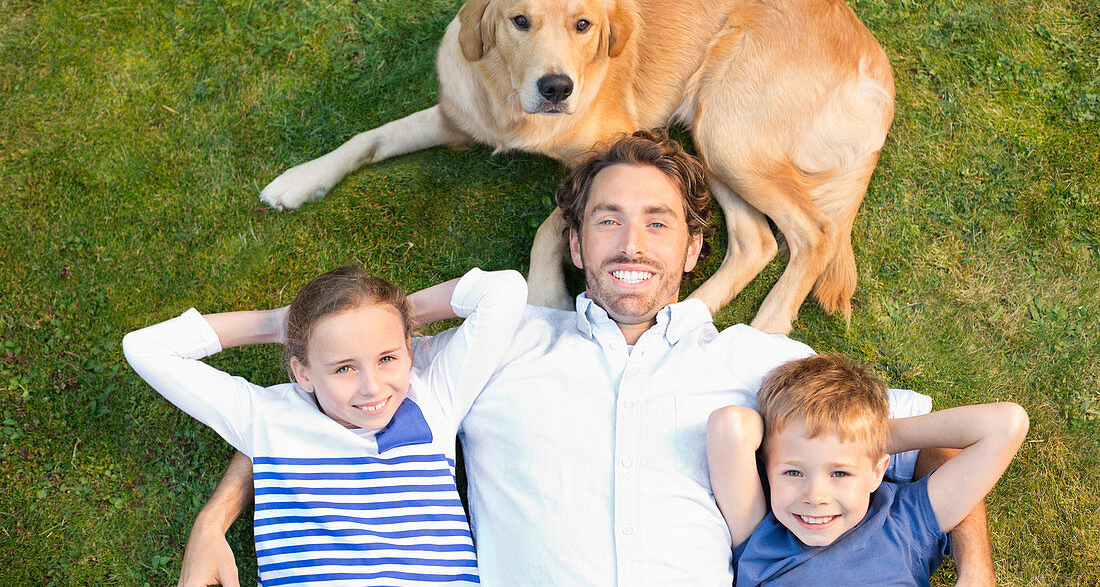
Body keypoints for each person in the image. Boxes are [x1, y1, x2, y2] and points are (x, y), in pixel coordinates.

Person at [177, 130, 998, 586]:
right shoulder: (503, 347)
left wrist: (976, 571)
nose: (630, 242)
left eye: (656, 221)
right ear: (574, 244)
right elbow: (332, 402)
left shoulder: (757, 360)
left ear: (692, 249)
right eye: (606, 220)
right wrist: (212, 523)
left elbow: (924, 437)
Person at [124, 265, 527, 585]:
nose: (372, 388)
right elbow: (146, 348)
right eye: (344, 367)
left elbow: (504, 291)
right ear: (303, 374)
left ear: (409, 349)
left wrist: (387, 316)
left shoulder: (433, 397)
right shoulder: (266, 417)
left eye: (387, 358)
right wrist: (273, 325)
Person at [706, 354, 1028, 585]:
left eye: (840, 473)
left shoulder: (903, 523)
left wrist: (877, 438)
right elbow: (729, 427)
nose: (815, 496)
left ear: (877, 473)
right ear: (768, 469)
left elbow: (1007, 424)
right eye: (793, 473)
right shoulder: (761, 540)